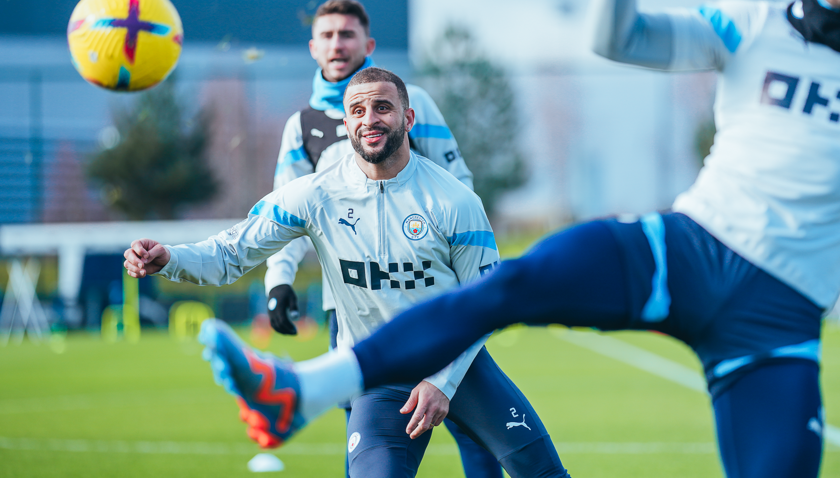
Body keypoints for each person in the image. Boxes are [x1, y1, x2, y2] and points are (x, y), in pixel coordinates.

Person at [191, 0, 840, 477]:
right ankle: (301, 388)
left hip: (779, 319)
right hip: (683, 252)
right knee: (513, 284)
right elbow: (617, 36)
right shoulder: (750, 25)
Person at [124, 67, 570, 478]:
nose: (369, 119)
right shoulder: (314, 195)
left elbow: (484, 306)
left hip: (459, 368)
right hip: (379, 375)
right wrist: (172, 258)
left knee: (545, 473)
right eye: (357, 110)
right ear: (346, 121)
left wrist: (440, 384)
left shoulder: (455, 202)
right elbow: (231, 253)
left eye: (382, 107)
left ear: (408, 118)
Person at [264, 0, 493, 478]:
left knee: (474, 424)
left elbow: (458, 185)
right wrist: (279, 280)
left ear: (367, 44)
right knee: (366, 427)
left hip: (434, 297)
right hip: (352, 304)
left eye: (346, 34)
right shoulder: (300, 127)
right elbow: (283, 214)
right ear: (313, 48)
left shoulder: (412, 103)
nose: (337, 44)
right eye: (326, 36)